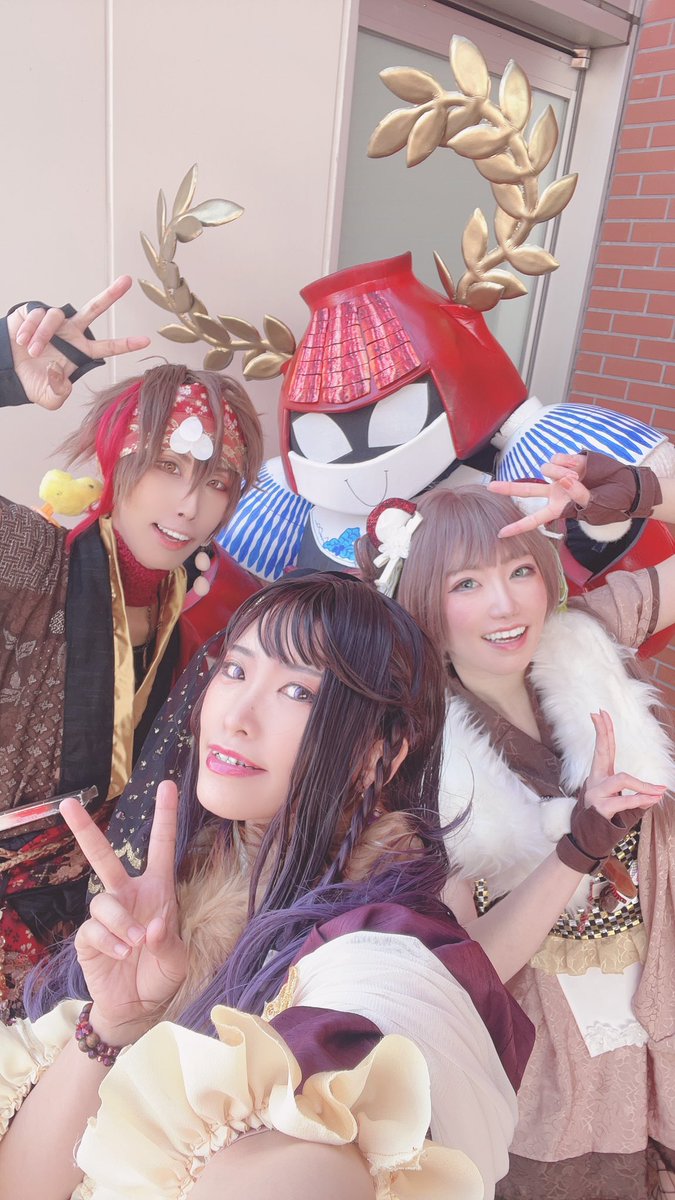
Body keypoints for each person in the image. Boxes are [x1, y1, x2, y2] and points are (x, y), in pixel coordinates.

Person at [0, 571, 540, 1199]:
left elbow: (318, 1153)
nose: (236, 716)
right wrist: (113, 1024)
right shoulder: (188, 884)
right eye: (235, 669)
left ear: (381, 754)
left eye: (297, 691)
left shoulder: (379, 963)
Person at [358, 454, 675, 1200]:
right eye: (465, 584)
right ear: (420, 604)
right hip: (546, 1082)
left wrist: (645, 495)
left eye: (520, 571)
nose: (505, 605)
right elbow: (467, 970)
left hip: (658, 1017)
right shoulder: (408, 760)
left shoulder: (587, 636)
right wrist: (576, 849)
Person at [0, 278, 263, 1018]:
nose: (190, 505)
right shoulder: (32, 560)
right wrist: (4, 373)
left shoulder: (213, 610)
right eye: (167, 467)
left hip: (102, 936)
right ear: (117, 460)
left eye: (218, 482)